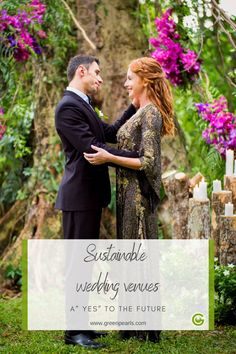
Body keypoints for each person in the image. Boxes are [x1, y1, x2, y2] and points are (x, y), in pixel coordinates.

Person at [84, 56, 175, 342]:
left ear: (144, 81)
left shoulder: (150, 114)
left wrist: (108, 157)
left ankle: (144, 328)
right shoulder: (140, 110)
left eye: (129, 79)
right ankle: (132, 324)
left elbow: (148, 162)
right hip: (126, 193)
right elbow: (118, 137)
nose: (125, 84)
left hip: (138, 196)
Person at [55, 54, 139, 349]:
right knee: (77, 265)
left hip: (89, 197)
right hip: (78, 197)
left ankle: (83, 326)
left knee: (84, 266)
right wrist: (140, 161)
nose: (101, 79)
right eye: (97, 73)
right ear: (81, 71)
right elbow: (95, 148)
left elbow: (109, 132)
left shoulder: (82, 104)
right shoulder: (67, 107)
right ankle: (73, 332)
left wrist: (135, 106)